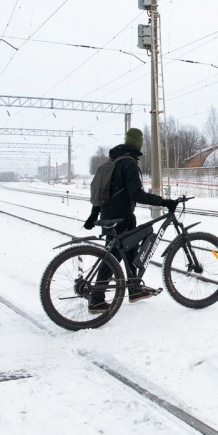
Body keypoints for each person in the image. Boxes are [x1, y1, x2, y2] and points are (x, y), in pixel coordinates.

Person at [83, 128, 177, 312]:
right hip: (122, 218)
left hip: (109, 215)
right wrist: (163, 202)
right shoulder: (129, 164)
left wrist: (94, 215)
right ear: (138, 144)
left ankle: (134, 289)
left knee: (129, 250)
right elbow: (137, 194)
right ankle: (97, 299)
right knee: (113, 257)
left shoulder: (113, 162)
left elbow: (102, 193)